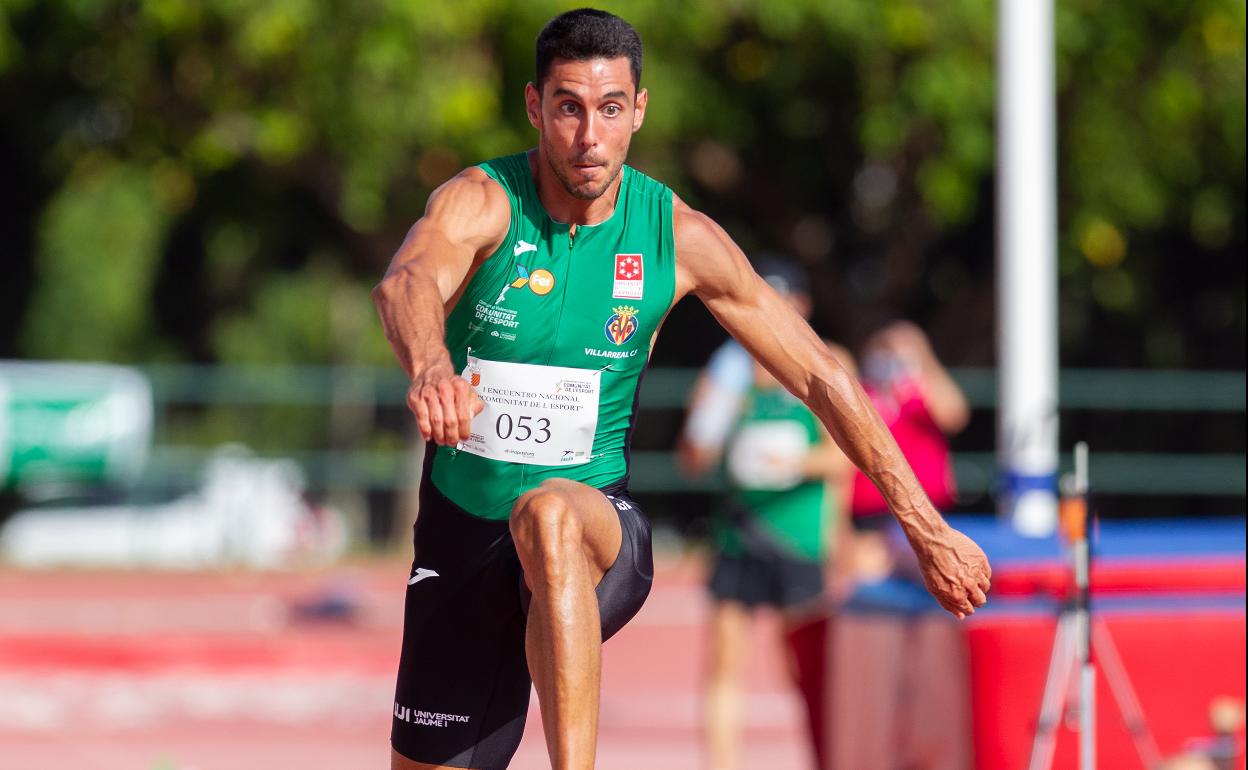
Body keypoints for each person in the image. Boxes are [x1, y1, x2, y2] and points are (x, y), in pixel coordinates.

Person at [371, 9, 992, 770]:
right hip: (462, 535)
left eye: (608, 109)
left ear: (639, 109)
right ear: (535, 108)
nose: (589, 137)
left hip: (594, 527)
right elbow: (407, 280)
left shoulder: (676, 234)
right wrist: (431, 363)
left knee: (547, 517)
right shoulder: (484, 199)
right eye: (568, 107)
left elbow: (821, 375)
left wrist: (924, 526)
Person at [677, 257, 853, 770]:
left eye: (784, 300)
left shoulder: (827, 360)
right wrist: (709, 416)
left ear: (802, 305)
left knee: (808, 668)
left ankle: (827, 758)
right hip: (739, 534)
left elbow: (848, 457)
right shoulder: (730, 370)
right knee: (724, 663)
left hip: (799, 538)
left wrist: (790, 460)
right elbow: (693, 460)